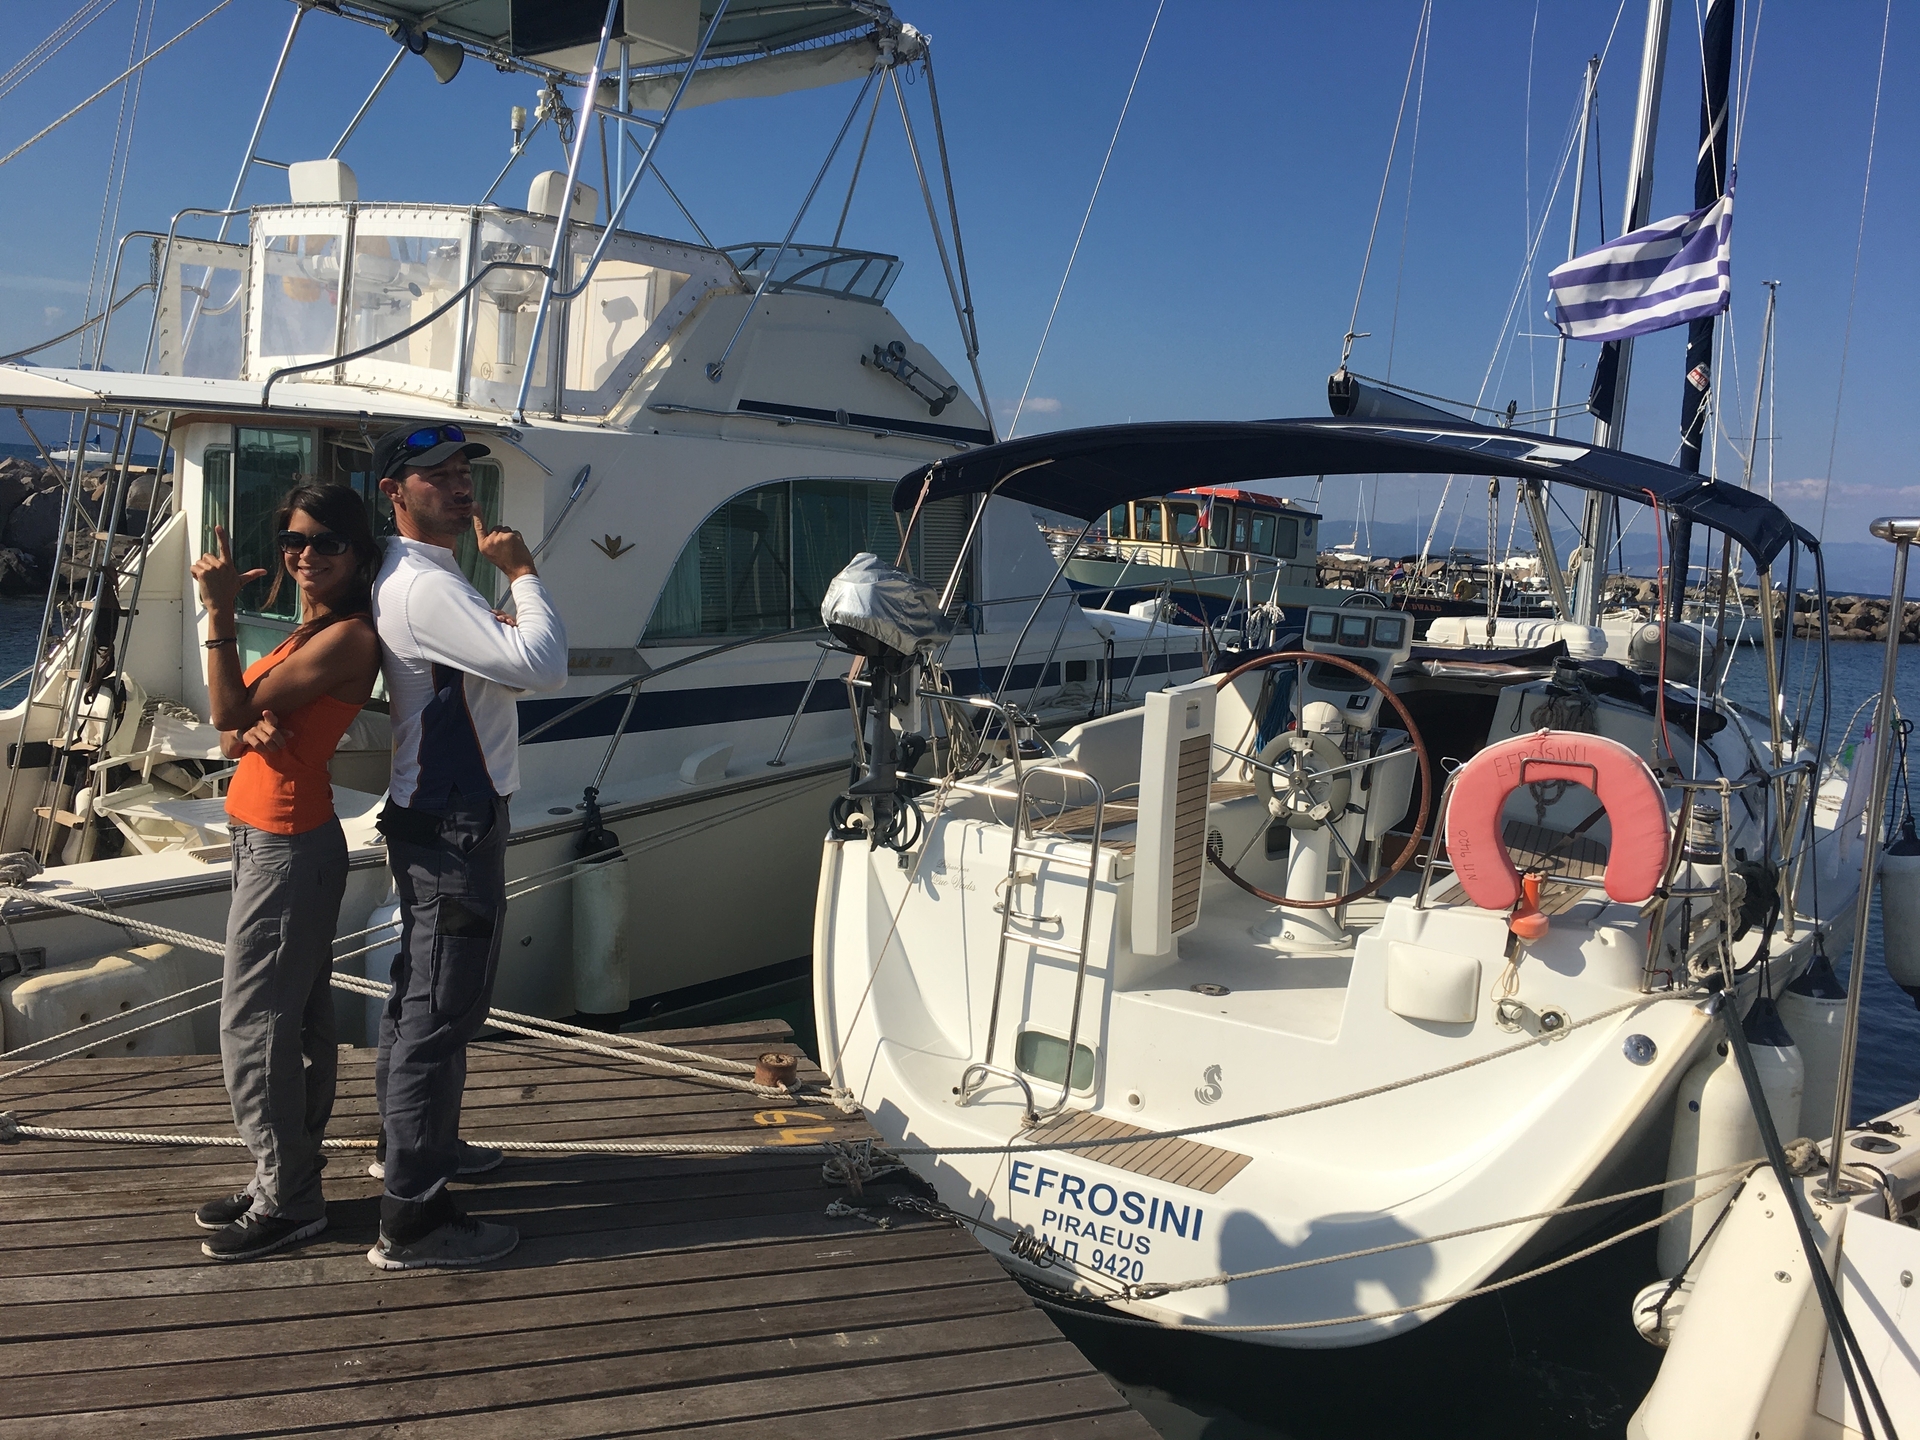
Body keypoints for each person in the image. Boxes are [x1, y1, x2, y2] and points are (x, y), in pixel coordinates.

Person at [367, 423, 567, 1270]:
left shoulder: (425, 575)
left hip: (439, 815)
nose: (458, 486)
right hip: (453, 822)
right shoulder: (425, 585)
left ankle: (412, 1151)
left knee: (421, 998)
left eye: (461, 472)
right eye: (435, 475)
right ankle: (412, 1218)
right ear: (394, 492)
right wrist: (522, 571)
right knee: (440, 1014)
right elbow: (544, 665)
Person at [190, 486, 383, 1261]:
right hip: (262, 836)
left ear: (359, 555)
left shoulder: (350, 637)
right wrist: (246, 720)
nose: (306, 554)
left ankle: (290, 1199)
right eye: (294, 540)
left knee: (254, 1027)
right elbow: (231, 733)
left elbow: (224, 712)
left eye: (327, 542)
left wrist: (219, 613)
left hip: (289, 844)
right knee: (294, 1022)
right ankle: (285, 1174)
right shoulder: (310, 631)